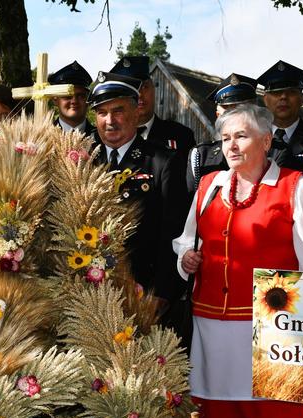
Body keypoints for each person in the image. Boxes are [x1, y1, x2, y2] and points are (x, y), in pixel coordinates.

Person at [173, 104, 303, 418]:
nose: (230, 145)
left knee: (269, 415)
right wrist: (187, 258)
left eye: (240, 136)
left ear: (266, 140)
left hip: (271, 329)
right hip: (211, 325)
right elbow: (186, 240)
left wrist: (300, 330)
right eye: (226, 138)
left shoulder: (294, 186)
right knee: (214, 416)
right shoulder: (209, 186)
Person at [88, 71, 187, 301]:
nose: (109, 121)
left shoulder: (162, 161)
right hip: (90, 293)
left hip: (142, 293)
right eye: (102, 113)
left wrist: (159, 296)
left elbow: (172, 235)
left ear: (135, 113)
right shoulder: (85, 161)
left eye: (118, 111)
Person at [186, 73, 258, 196]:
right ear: (218, 116)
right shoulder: (201, 156)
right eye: (227, 109)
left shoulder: (273, 150)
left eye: (241, 108)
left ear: (255, 112)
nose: (234, 115)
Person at [110, 56, 196, 152]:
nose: (140, 95)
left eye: (145, 87)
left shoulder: (182, 136)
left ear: (153, 90)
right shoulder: (107, 138)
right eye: (132, 90)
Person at [47, 60, 96, 136]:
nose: (74, 101)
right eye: (67, 96)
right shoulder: (43, 137)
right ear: (55, 100)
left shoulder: (104, 139)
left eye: (80, 96)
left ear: (88, 99)